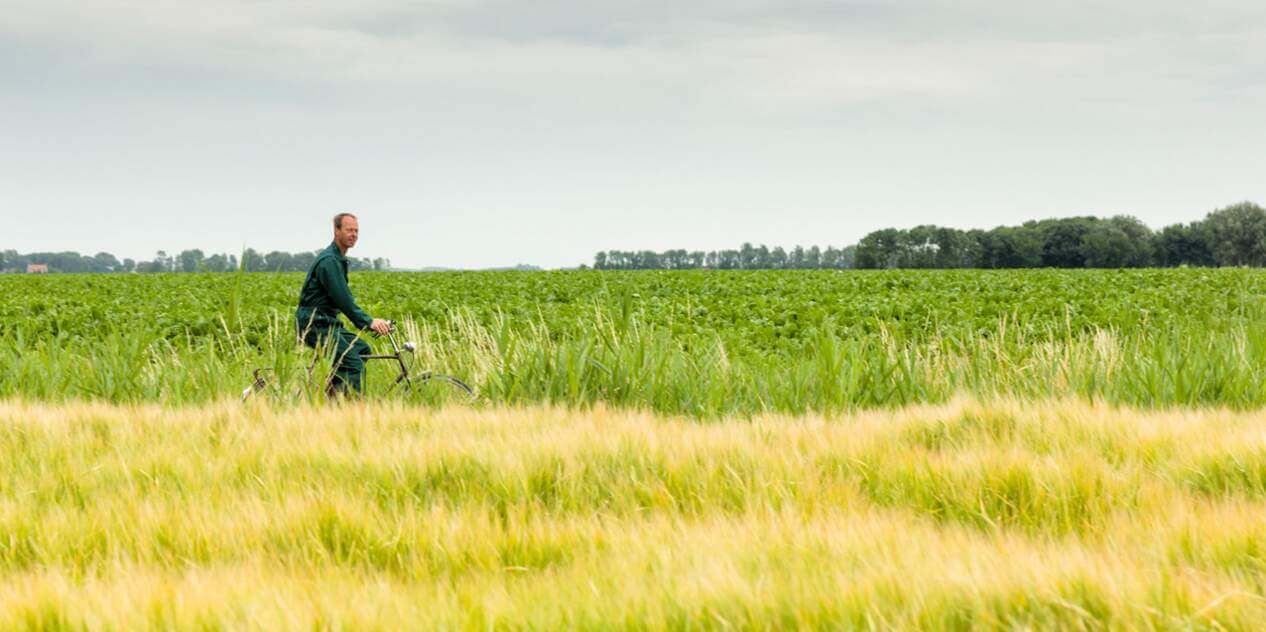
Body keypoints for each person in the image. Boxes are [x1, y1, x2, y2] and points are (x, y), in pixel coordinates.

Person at [295, 213, 391, 396]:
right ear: (336, 231)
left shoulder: (337, 258)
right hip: (315, 324)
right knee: (353, 365)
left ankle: (334, 400)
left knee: (361, 349)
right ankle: (349, 411)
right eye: (349, 230)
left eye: (356, 231)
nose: (353, 234)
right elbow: (344, 300)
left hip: (328, 323)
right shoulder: (329, 261)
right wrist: (368, 322)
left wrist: (368, 322)